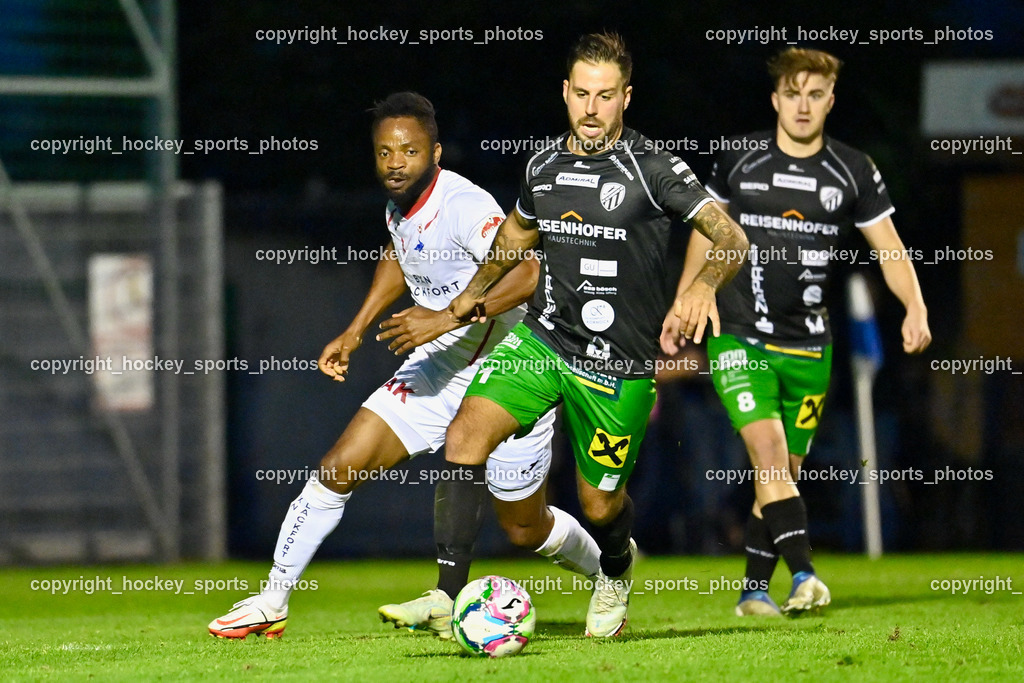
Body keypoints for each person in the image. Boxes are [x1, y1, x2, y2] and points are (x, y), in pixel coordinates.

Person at [208, 92, 596, 640]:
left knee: (524, 527)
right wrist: (355, 329)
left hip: (509, 368)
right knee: (339, 466)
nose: (395, 162)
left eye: (409, 151)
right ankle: (273, 599)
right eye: (385, 152)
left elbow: (530, 272)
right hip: (440, 367)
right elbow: (398, 252)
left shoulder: (464, 205)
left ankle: (608, 570)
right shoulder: (399, 203)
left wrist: (448, 315)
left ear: (435, 153)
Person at [435, 32, 748, 638]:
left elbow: (729, 235)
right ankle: (447, 598)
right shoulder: (544, 165)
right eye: (581, 93)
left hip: (619, 366)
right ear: (565, 91)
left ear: (626, 98)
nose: (591, 108)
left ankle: (616, 563)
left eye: (606, 96)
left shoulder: (653, 167)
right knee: (466, 431)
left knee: (599, 505)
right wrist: (476, 290)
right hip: (545, 341)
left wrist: (704, 285)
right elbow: (517, 234)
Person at [665, 47, 931, 616]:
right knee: (767, 454)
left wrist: (916, 307)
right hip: (739, 335)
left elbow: (889, 249)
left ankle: (753, 591)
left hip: (810, 345)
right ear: (775, 99)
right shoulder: (738, 160)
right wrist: (689, 298)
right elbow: (703, 233)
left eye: (815, 95)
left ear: (830, 100)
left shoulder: (853, 170)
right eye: (793, 94)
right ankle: (806, 574)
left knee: (783, 473)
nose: (803, 106)